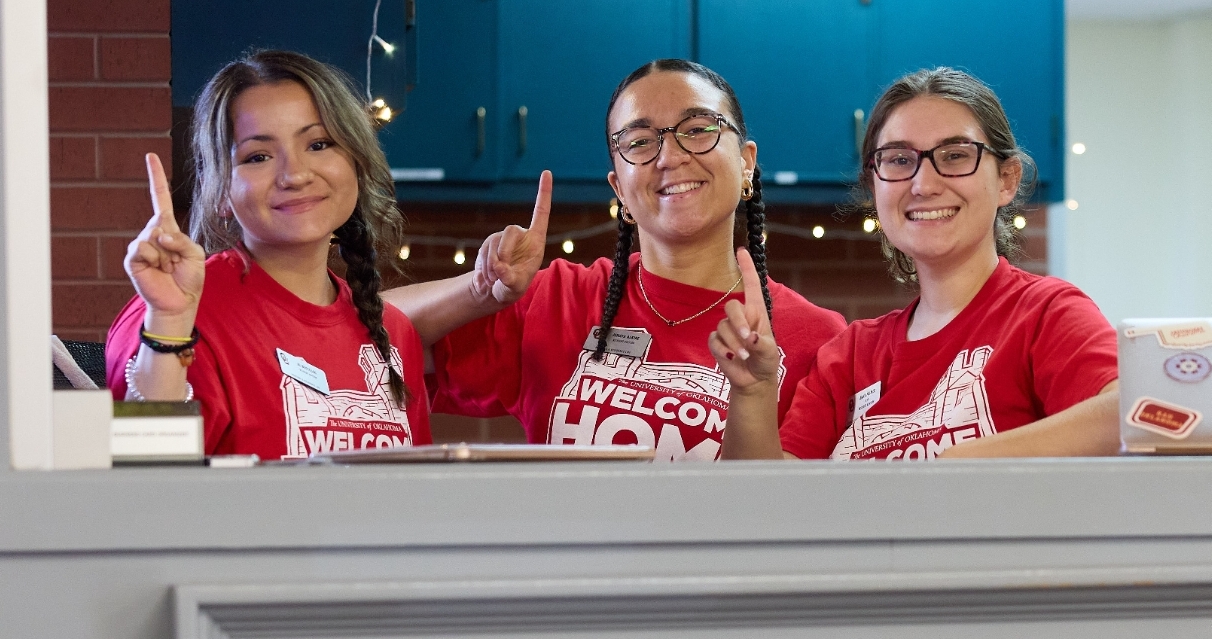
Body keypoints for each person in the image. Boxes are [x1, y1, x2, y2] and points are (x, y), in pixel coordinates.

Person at [386, 59, 847, 462]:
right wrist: (478, 292)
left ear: (746, 162)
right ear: (619, 188)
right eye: (641, 141)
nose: (671, 155)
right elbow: (360, 334)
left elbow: (783, 515)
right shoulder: (558, 299)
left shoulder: (819, 340)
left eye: (698, 130)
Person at [106, 50, 521, 460]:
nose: (295, 175)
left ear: (356, 162)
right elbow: (143, 477)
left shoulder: (394, 333)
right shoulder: (176, 312)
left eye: (319, 144)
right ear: (220, 192)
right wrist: (168, 323)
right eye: (258, 156)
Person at [714, 67, 1120, 460]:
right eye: (898, 160)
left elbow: (1128, 414)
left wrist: (962, 464)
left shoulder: (1045, 314)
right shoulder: (849, 356)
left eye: (956, 155)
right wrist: (754, 392)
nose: (924, 185)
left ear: (1006, 180)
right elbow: (771, 501)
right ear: (874, 186)